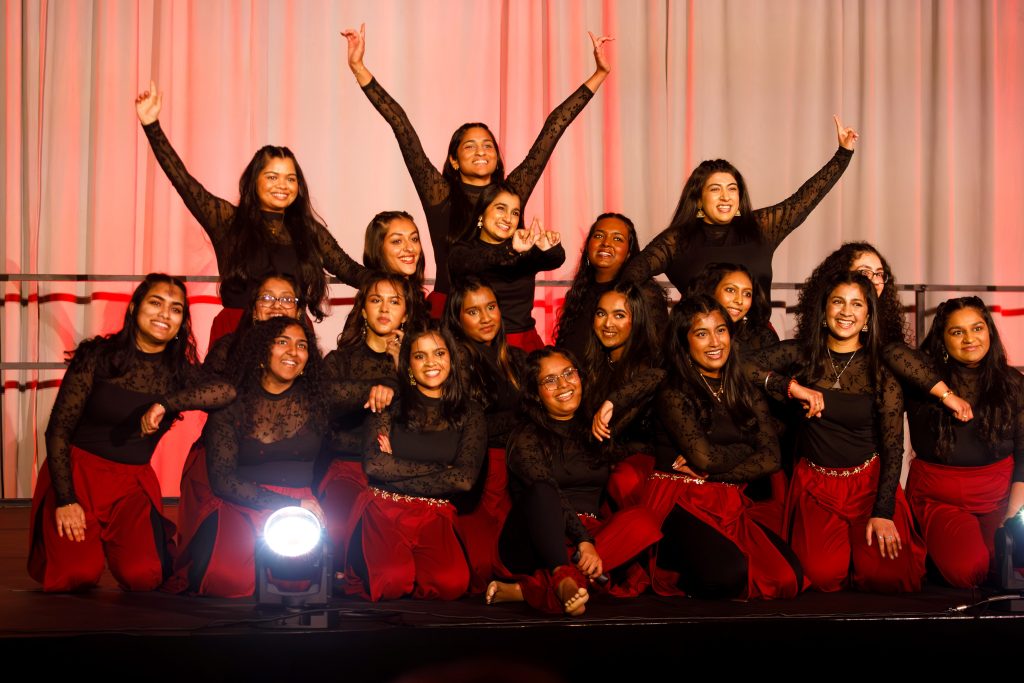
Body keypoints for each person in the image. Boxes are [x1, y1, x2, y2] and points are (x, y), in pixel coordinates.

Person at [341, 24, 612, 316]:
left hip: (503, 314)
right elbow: (401, 126)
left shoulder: (511, 193)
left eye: (488, 146)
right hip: (450, 313)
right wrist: (358, 67)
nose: (481, 151)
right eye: (469, 146)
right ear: (454, 160)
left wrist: (599, 75)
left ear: (497, 157)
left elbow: (553, 130)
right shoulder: (440, 196)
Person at [29, 274, 234, 592]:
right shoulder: (97, 357)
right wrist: (67, 499)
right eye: (156, 303)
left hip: (131, 486)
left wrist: (165, 403)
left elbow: (225, 392)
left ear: (182, 322)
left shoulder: (179, 373)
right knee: (77, 574)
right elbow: (58, 430)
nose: (165, 314)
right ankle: (82, 546)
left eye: (176, 309)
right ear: (135, 307)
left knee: (145, 576)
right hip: (79, 475)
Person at [136, 83, 367, 341]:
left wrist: (398, 280)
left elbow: (351, 271)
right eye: (272, 177)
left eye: (290, 179)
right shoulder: (228, 221)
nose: (283, 185)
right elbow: (185, 184)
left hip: (291, 336)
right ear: (254, 182)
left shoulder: (308, 230)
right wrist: (152, 126)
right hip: (237, 334)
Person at [168, 317, 379, 597]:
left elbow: (380, 391)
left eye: (302, 345)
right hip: (242, 502)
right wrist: (292, 503)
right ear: (261, 354)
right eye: (283, 342)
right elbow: (223, 482)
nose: (293, 351)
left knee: (297, 586)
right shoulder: (232, 403)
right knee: (229, 583)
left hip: (301, 509)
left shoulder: (319, 397)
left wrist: (386, 385)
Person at [751, 271, 925, 592]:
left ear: (868, 315)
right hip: (817, 485)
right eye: (838, 302)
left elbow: (893, 446)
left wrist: (884, 511)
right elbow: (738, 365)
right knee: (821, 576)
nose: (846, 312)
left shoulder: (880, 368)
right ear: (824, 310)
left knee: (888, 578)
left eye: (857, 304)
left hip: (868, 485)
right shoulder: (801, 355)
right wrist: (789, 386)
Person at [643, 296, 802, 599]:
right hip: (678, 498)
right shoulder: (673, 392)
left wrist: (715, 471)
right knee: (730, 576)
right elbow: (706, 457)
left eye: (721, 330)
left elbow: (771, 459)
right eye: (701, 333)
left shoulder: (744, 388)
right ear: (683, 341)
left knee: (787, 576)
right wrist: (745, 450)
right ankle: (672, 566)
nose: (715, 342)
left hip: (726, 496)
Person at [486, 347, 661, 616]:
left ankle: (531, 591)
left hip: (591, 537)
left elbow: (659, 376)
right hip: (539, 537)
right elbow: (546, 490)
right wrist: (583, 540)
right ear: (535, 392)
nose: (563, 384)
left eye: (569, 373)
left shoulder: (594, 429)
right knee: (544, 491)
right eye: (550, 380)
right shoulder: (526, 438)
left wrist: (611, 403)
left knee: (642, 521)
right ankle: (560, 578)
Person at [621, 116, 858, 298]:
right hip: (699, 348)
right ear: (698, 198)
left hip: (758, 347)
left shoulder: (760, 228)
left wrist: (843, 154)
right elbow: (630, 276)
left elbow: (803, 200)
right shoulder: (676, 241)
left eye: (732, 189)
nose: (725, 196)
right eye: (715, 189)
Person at [342, 327, 487, 601]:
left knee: (450, 584)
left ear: (452, 360)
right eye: (420, 356)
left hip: (435, 514)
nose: (431, 362)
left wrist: (395, 464)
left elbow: (464, 480)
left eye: (439, 353)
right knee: (392, 580)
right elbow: (374, 466)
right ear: (409, 365)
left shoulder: (471, 413)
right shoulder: (389, 402)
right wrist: (442, 470)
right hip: (384, 508)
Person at [905, 297, 1024, 587]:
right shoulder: (922, 384)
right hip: (939, 498)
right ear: (941, 339)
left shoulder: (1013, 382)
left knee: (1011, 564)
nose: (970, 338)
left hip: (999, 496)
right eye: (957, 332)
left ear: (989, 332)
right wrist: (945, 395)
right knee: (970, 571)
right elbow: (890, 352)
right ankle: (932, 550)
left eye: (977, 328)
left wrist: (1012, 515)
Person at [803, 241, 973, 420]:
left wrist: (946, 395)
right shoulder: (827, 325)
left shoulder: (887, 331)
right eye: (865, 272)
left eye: (879, 274)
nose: (875, 280)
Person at [318, 273, 409, 572]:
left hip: (403, 476)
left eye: (394, 302)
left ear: (406, 313)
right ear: (363, 310)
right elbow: (325, 403)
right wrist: (375, 389)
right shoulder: (340, 361)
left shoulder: (423, 364)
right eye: (376, 300)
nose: (384, 309)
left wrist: (400, 369)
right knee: (341, 541)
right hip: (348, 469)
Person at [441, 276, 525, 591]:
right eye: (473, 311)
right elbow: (469, 428)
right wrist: (523, 415)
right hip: (481, 474)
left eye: (490, 307)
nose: (486, 317)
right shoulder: (458, 359)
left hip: (515, 473)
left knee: (511, 565)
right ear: (457, 319)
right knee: (481, 571)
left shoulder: (515, 359)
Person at [448, 184, 565, 351]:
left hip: (524, 343)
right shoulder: (463, 251)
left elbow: (556, 259)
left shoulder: (523, 252)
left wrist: (550, 246)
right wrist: (510, 251)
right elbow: (476, 262)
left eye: (515, 213)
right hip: (479, 346)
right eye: (501, 209)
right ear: (481, 213)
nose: (508, 218)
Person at [584, 284, 666, 508]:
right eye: (601, 314)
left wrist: (613, 401)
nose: (608, 323)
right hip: (604, 470)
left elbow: (612, 433)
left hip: (643, 474)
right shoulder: (593, 365)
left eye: (619, 315)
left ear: (637, 320)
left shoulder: (651, 365)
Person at [555, 213, 668, 361]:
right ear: (588, 246)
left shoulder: (643, 292)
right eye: (599, 236)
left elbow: (658, 353)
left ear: (629, 252)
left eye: (617, 239)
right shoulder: (579, 292)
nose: (606, 243)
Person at [685, 263, 778, 352]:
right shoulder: (687, 331)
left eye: (747, 294)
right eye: (730, 290)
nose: (739, 300)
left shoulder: (762, 337)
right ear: (711, 291)